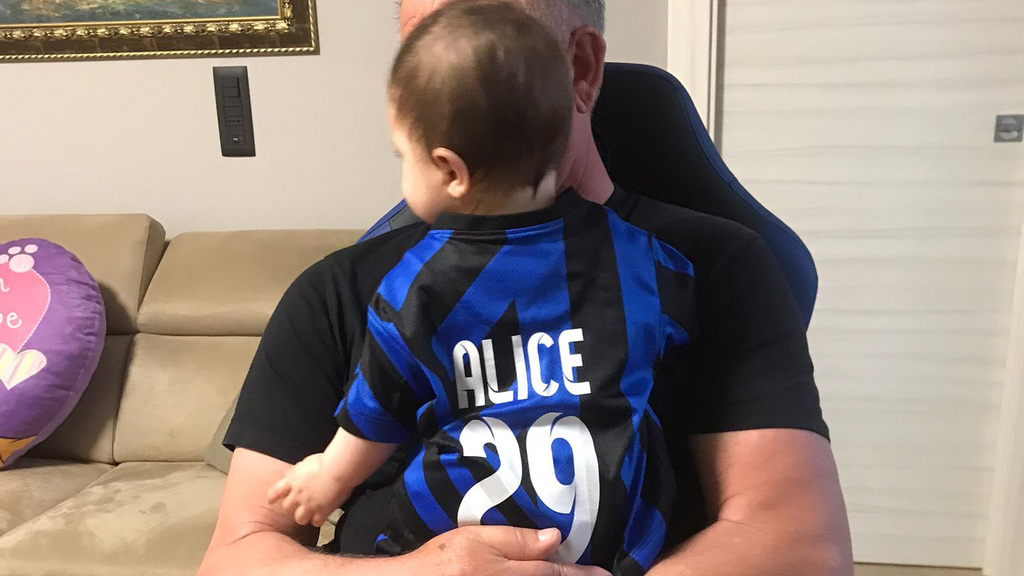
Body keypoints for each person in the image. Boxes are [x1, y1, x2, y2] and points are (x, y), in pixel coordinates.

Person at [198, 1, 855, 575]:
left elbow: (803, 550)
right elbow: (236, 558)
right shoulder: (340, 290)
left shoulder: (704, 265)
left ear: (580, 69)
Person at [265, 4, 692, 575]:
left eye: (403, 156)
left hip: (450, 536)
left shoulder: (415, 284)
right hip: (619, 543)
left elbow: (379, 407)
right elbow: (679, 329)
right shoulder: (640, 256)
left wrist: (330, 475)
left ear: (450, 170)